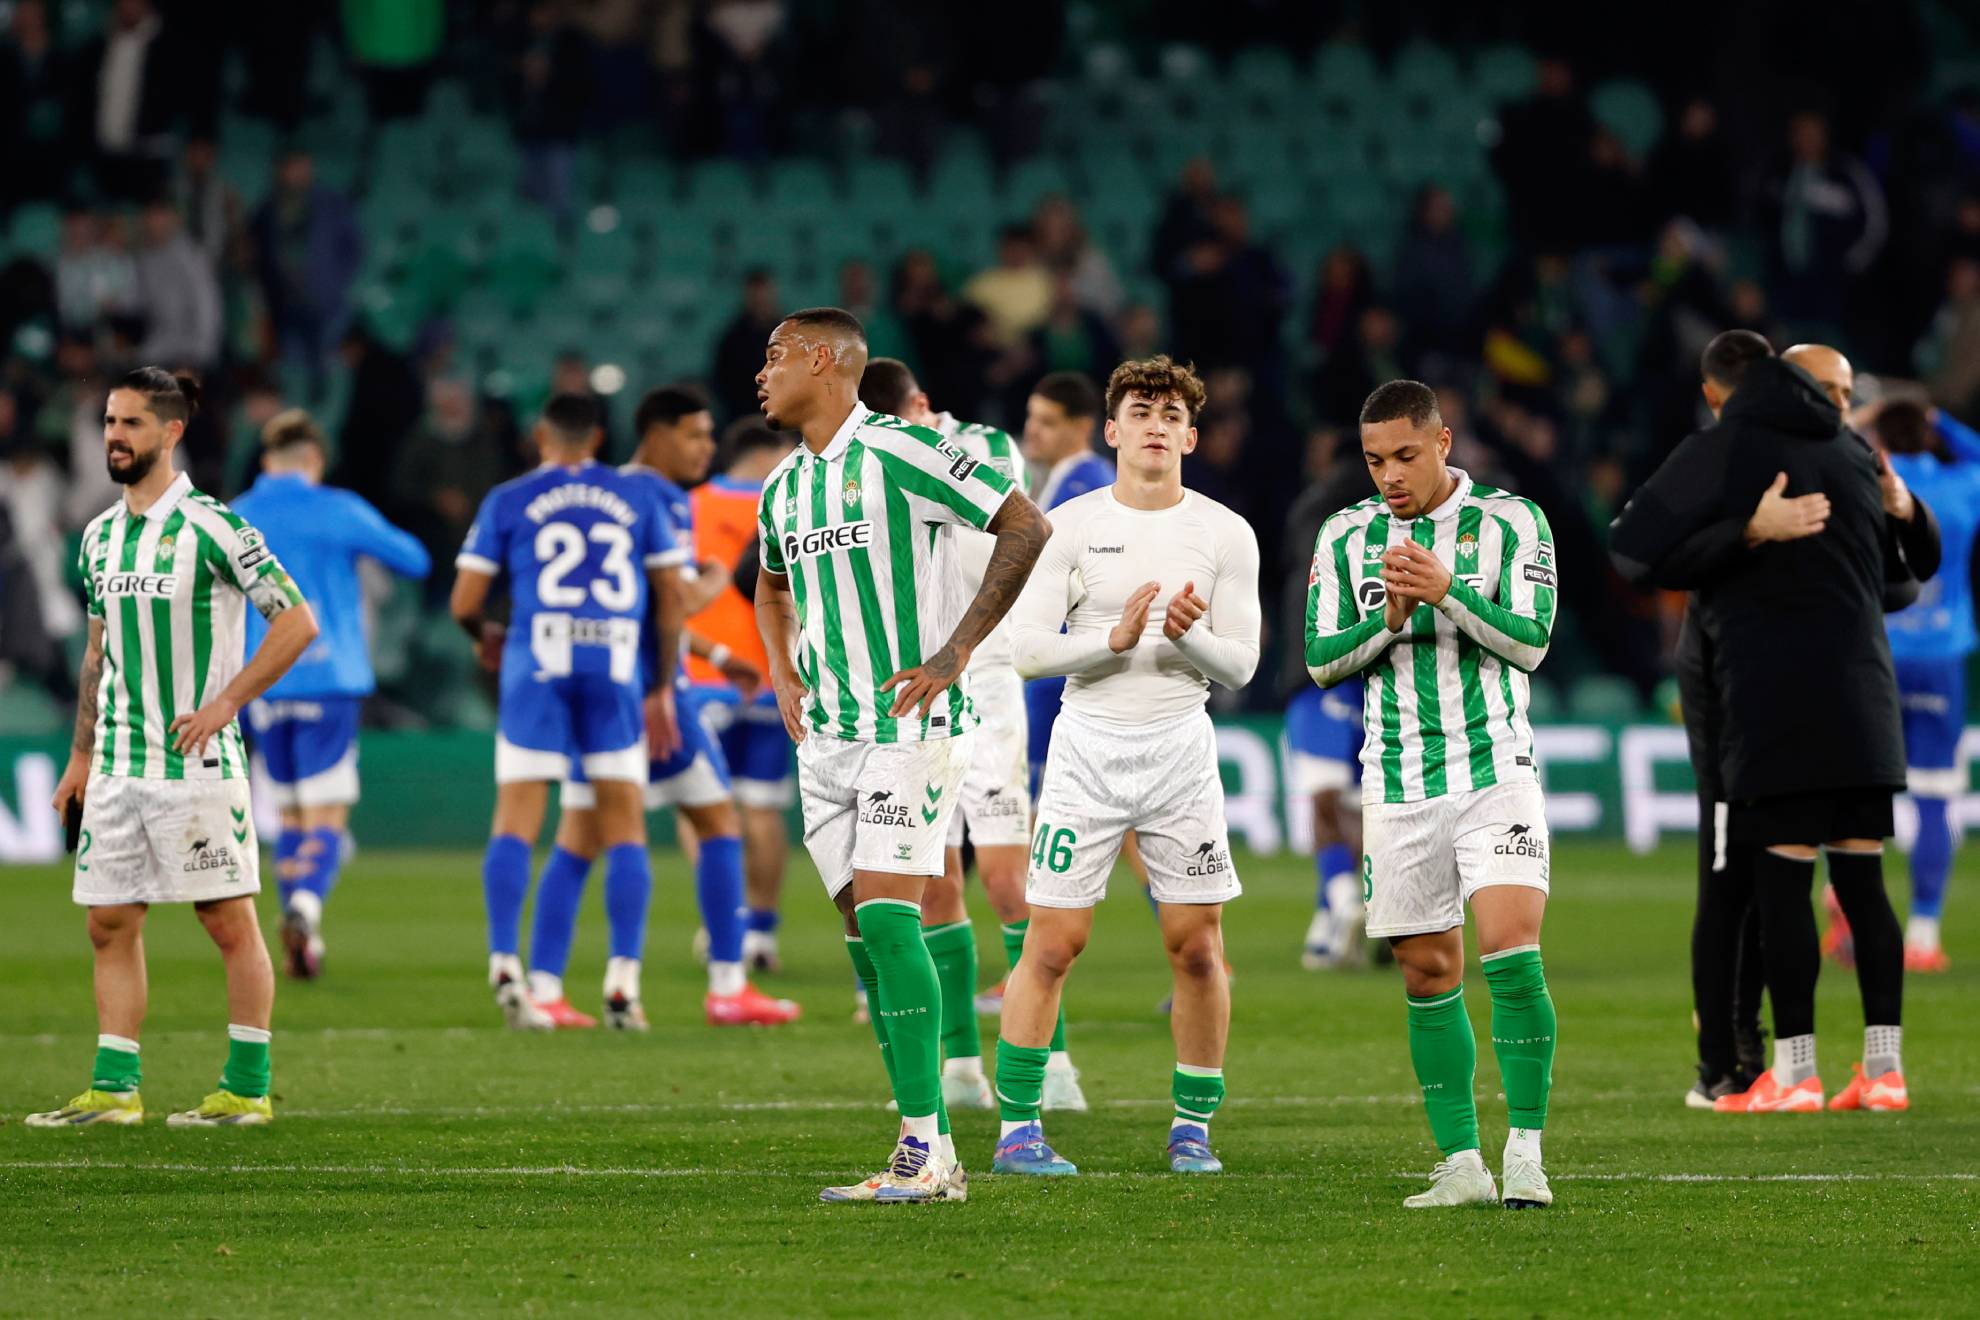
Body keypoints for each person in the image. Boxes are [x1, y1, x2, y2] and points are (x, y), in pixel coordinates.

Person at [753, 307, 1048, 1204]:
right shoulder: (782, 489)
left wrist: (957, 650)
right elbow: (768, 585)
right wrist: (781, 673)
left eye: (773, 358)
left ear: (820, 359)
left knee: (890, 922)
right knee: (864, 947)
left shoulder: (904, 450)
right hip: (827, 739)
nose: (760, 375)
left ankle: (931, 1149)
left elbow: (1024, 526)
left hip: (910, 727)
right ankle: (920, 1137)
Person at [1608, 349, 1929, 1117]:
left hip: (1774, 705)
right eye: (1832, 390)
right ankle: (1882, 1070)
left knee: (1771, 885)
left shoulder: (1732, 451)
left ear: (1722, 395)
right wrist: (1902, 511)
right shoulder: (1854, 454)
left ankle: (1783, 1073)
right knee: (1860, 883)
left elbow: (1635, 550)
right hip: (1865, 699)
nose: (1840, 404)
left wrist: (1748, 533)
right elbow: (1906, 576)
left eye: (1848, 393)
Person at [29, 368, 320, 1129]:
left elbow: (294, 621)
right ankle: (116, 1089)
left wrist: (227, 701)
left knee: (227, 921)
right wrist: (81, 757)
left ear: (171, 432)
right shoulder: (98, 535)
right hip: (119, 767)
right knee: (108, 924)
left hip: (194, 766)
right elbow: (97, 656)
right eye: (108, 422)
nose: (114, 436)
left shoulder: (214, 527)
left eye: (130, 423)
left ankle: (248, 1087)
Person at [995, 356, 1260, 1179]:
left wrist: (1187, 637)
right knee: (1053, 942)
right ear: (1111, 430)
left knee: (1196, 946)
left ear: (1190, 432)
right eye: (1140, 410)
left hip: (1181, 750)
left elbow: (1242, 664)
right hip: (1088, 752)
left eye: (1170, 412)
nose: (1155, 423)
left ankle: (1192, 1128)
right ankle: (1017, 1132)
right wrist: (1108, 644)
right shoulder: (1065, 524)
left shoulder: (1224, 532)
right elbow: (1028, 649)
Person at [1306, 380, 1561, 1209]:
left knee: (1511, 953)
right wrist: (1390, 618)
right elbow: (1318, 660)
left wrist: (1446, 589)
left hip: (1496, 772)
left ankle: (1526, 1151)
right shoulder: (1345, 537)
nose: (1390, 475)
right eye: (1375, 459)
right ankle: (1462, 1164)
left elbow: (1532, 644)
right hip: (1399, 781)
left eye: (1406, 456)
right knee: (1426, 972)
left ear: (1444, 443)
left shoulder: (1513, 522)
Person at [859, 356, 1088, 1114]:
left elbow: (978, 541)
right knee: (933, 885)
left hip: (982, 679)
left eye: (899, 426)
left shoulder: (987, 447)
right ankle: (960, 1066)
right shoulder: (858, 463)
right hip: (911, 685)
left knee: (1002, 876)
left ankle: (1050, 1062)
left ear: (924, 405)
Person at [533, 385, 798, 1030]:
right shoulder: (655, 497)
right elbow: (671, 599)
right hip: (657, 695)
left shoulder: (604, 493)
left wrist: (710, 648)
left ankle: (544, 988)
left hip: (608, 687)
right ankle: (721, 987)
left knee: (586, 840)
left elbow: (642, 607)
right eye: (695, 435)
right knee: (712, 825)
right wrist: (711, 583)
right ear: (655, 434)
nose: (707, 448)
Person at [450, 393, 684, 1031]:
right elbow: (670, 599)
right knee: (623, 822)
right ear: (599, 436)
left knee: (517, 816)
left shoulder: (509, 497)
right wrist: (659, 679)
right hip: (613, 665)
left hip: (538, 660)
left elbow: (465, 599)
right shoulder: (637, 497)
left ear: (540, 434)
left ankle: (505, 961)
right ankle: (622, 982)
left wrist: (485, 636)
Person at [232, 408, 430, 979]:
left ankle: (302, 933)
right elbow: (413, 559)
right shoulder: (338, 509)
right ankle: (306, 907)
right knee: (326, 814)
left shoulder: (238, 515)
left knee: (290, 815)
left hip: (264, 682)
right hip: (330, 678)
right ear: (313, 461)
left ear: (266, 461)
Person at [684, 420, 799, 973]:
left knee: (703, 809)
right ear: (766, 452)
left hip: (705, 673)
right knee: (763, 808)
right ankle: (762, 933)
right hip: (773, 671)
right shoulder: (791, 499)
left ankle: (720, 922)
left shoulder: (691, 506)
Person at [1874, 401, 1980, 971]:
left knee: (1855, 787)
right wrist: (1941, 419)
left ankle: (1844, 905)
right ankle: (1923, 934)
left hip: (1877, 653)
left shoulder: (1869, 481)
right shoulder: (1967, 483)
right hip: (1941, 655)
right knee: (1936, 795)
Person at [1281, 439, 1380, 969]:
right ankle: (1340, 919)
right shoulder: (1390, 525)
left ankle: (1344, 900)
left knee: (1323, 802)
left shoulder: (1310, 517)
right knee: (1361, 806)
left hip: (1313, 677)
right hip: (1373, 678)